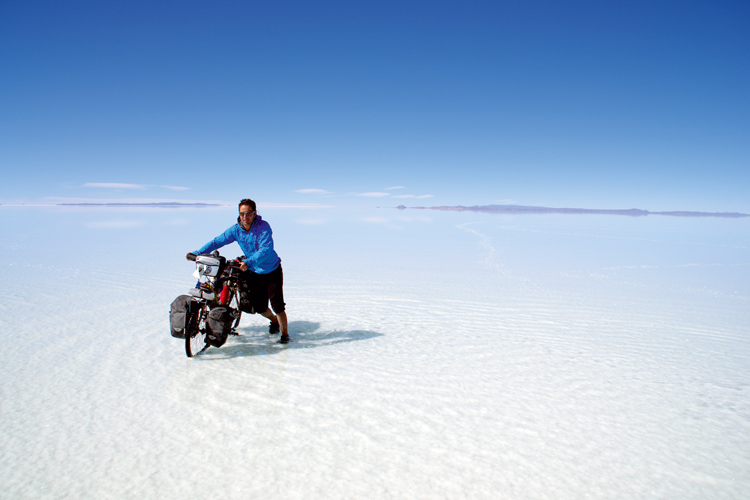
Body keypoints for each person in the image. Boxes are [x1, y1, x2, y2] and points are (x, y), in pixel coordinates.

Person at [190, 198, 289, 343]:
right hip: (254, 272)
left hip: (272, 270)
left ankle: (285, 336)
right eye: (242, 214)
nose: (245, 217)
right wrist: (198, 253)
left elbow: (266, 250)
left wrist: (248, 262)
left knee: (278, 306)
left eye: (248, 213)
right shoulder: (236, 230)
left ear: (255, 213)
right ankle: (274, 321)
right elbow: (218, 241)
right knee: (260, 308)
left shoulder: (263, 227)